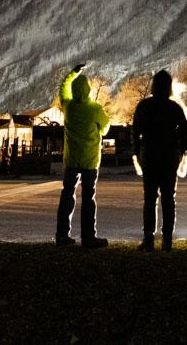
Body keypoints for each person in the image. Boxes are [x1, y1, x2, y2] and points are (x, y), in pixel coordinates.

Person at [131, 69, 187, 251]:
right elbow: (184, 132)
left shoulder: (144, 106)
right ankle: (167, 239)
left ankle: (149, 238)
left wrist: (136, 153)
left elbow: (135, 132)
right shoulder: (174, 108)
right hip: (169, 156)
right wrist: (182, 152)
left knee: (149, 198)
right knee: (168, 198)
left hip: (149, 154)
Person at [55, 62, 111, 248]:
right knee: (88, 198)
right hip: (89, 161)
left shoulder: (68, 107)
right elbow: (105, 127)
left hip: (71, 160)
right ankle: (88, 237)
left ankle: (62, 234)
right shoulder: (94, 109)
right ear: (88, 89)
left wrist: (73, 73)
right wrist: (99, 132)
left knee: (67, 196)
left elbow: (63, 88)